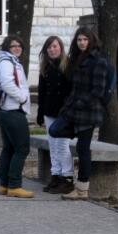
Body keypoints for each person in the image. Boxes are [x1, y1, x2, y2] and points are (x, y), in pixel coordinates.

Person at [58, 27, 112, 200]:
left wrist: (80, 103)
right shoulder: (77, 59)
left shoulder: (98, 61)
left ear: (91, 41)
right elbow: (74, 88)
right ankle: (78, 187)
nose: (82, 43)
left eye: (85, 39)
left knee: (83, 149)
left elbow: (98, 91)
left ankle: (82, 189)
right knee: (57, 132)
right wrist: (68, 106)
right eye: (79, 40)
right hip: (75, 110)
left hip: (88, 111)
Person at [0, 34, 33, 198]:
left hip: (8, 110)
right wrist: (22, 98)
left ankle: (4, 184)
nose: (17, 48)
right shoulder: (6, 62)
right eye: (13, 46)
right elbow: (7, 84)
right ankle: (14, 185)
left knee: (9, 148)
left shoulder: (10, 61)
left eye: (19, 46)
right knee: (22, 148)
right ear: (7, 48)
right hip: (12, 110)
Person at [36, 36, 74, 194]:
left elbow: (72, 90)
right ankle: (56, 175)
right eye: (49, 47)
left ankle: (67, 177)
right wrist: (40, 113)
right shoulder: (45, 68)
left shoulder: (68, 65)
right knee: (53, 145)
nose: (52, 50)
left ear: (61, 47)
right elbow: (42, 92)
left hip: (64, 112)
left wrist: (69, 110)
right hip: (49, 111)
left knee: (62, 145)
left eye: (54, 46)